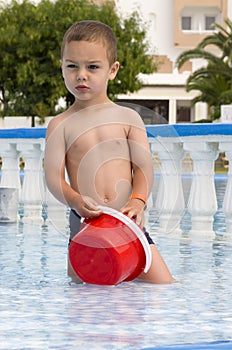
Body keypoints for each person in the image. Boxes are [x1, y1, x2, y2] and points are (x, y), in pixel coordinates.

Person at [44, 20, 174, 284]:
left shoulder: (129, 118)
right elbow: (53, 178)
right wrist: (75, 201)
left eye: (92, 67)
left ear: (112, 70)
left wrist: (138, 200)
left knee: (163, 286)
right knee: (85, 293)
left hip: (127, 222)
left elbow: (143, 168)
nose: (81, 75)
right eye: (72, 66)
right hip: (85, 224)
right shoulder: (60, 125)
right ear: (62, 68)